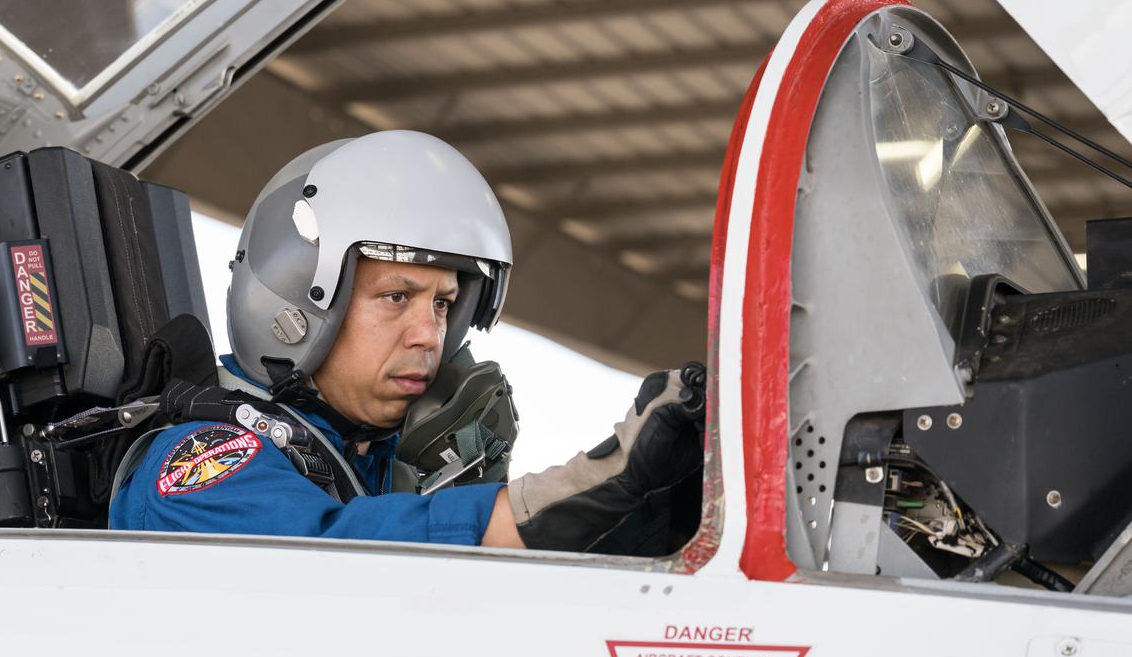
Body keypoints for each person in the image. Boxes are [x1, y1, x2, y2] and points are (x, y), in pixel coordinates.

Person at [109, 130, 703, 552]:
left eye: (443, 304)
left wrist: (668, 491)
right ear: (294, 304)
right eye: (397, 297)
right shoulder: (199, 464)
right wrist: (597, 479)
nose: (429, 335)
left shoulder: (376, 467)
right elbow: (340, 558)